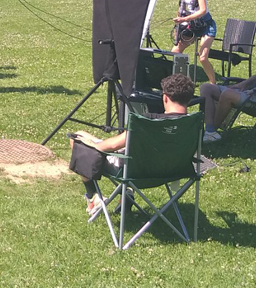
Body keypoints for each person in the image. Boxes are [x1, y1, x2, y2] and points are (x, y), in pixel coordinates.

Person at [70, 73, 195, 214]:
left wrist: (93, 145)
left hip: (134, 172)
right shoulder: (194, 124)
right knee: (130, 152)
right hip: (173, 171)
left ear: (165, 97)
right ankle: (127, 194)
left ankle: (93, 196)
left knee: (77, 137)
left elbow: (111, 146)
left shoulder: (149, 122)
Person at [171, 0, 218, 84]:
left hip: (206, 25)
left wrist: (185, 18)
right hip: (192, 26)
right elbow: (181, 6)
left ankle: (213, 84)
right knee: (175, 52)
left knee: (202, 58)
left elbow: (202, 10)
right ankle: (184, 82)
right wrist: (179, 25)